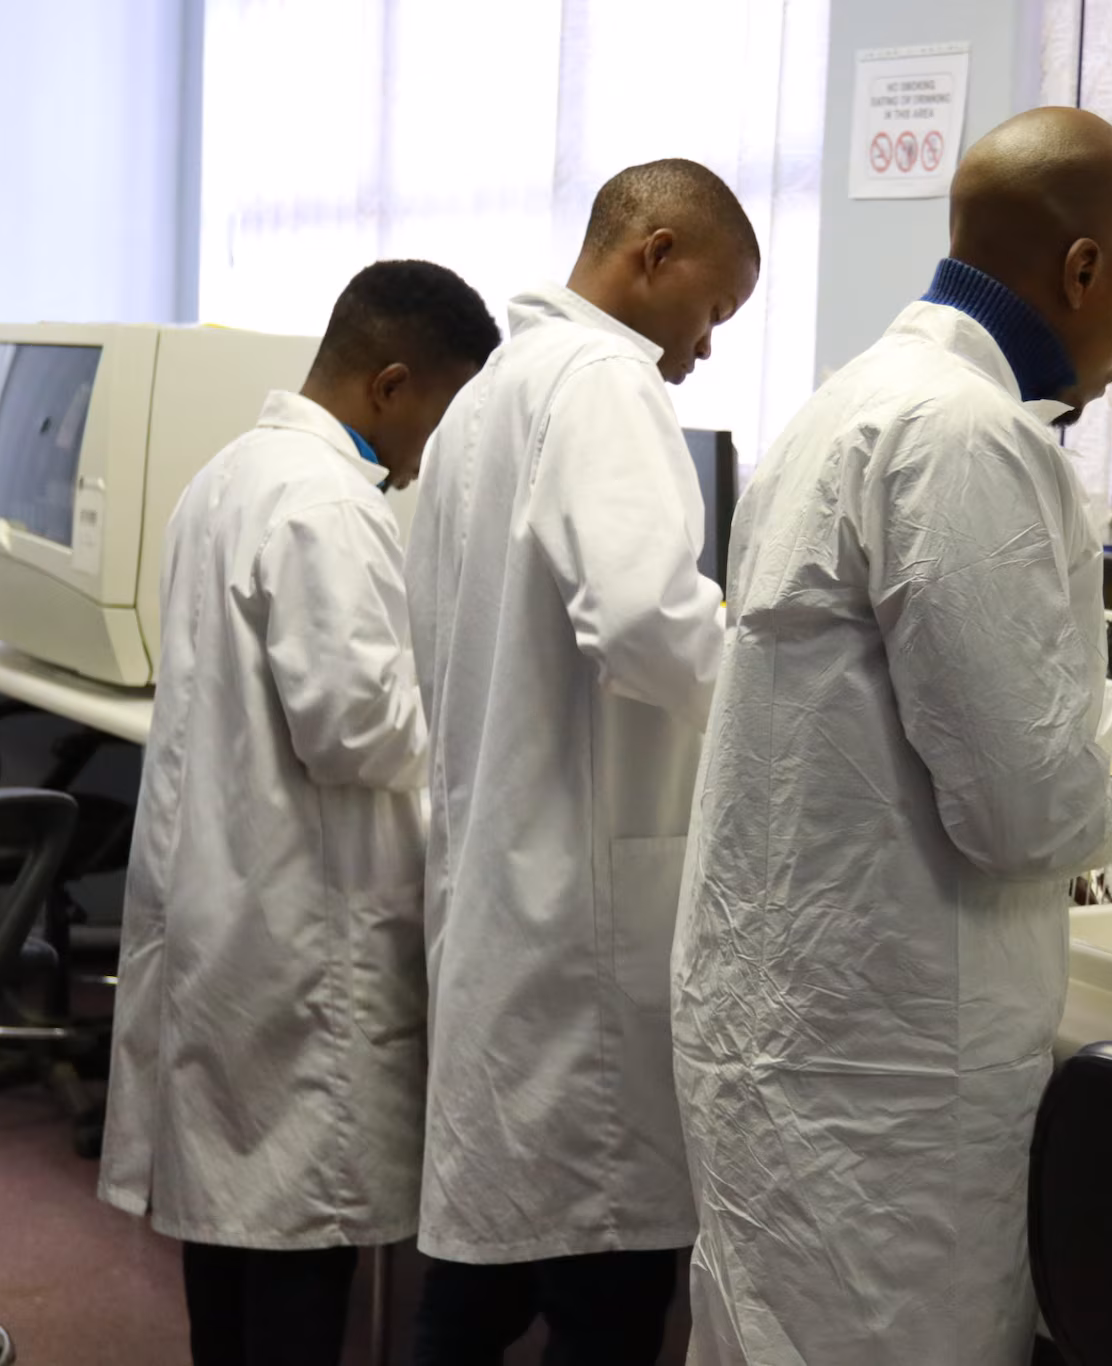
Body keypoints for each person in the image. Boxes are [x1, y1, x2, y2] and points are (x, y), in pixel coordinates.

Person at [671, 107, 1112, 1366]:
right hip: (884, 1080)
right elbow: (1021, 804)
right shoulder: (965, 438)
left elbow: (943, 705)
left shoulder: (850, 404)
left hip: (794, 1034)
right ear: (1080, 271)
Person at [98, 259, 500, 1366]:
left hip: (233, 910)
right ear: (390, 382)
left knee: (228, 1223)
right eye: (443, 414)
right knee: (292, 1235)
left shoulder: (230, 473)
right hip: (298, 937)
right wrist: (475, 692)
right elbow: (360, 728)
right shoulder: (329, 504)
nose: (436, 451)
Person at [404, 158, 759, 1365]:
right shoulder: (605, 378)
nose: (702, 350)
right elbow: (646, 621)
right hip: (579, 931)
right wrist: (779, 701)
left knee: (477, 1282)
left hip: (507, 904)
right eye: (712, 310)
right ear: (654, 254)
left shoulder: (482, 401)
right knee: (601, 1293)